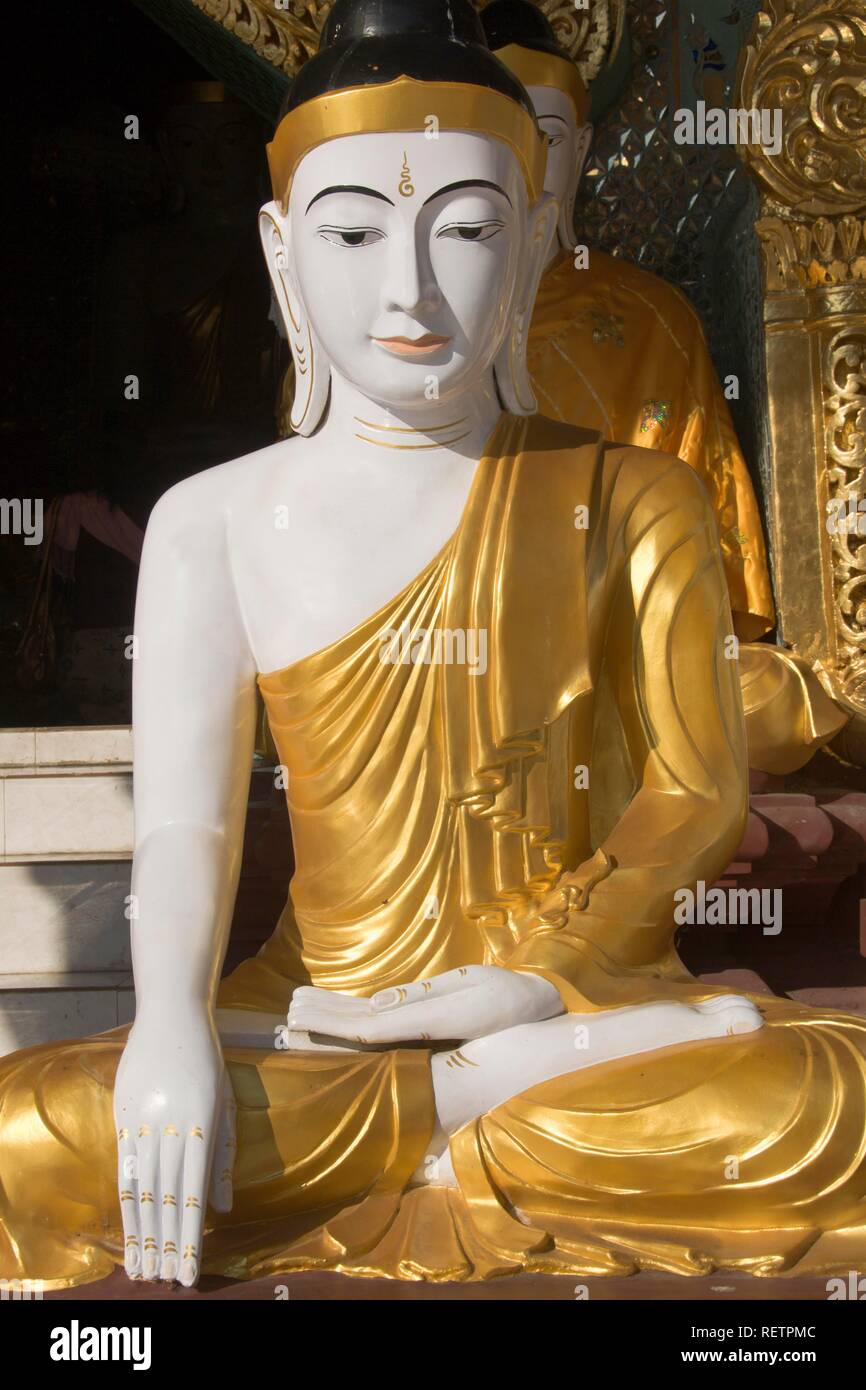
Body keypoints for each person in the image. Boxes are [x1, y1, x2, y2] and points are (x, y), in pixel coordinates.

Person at [1, 0, 865, 1293]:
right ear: (282, 252)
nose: (404, 289)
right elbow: (182, 832)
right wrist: (173, 1024)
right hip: (311, 1013)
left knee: (827, 1098)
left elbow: (693, 793)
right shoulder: (211, 520)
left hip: (578, 1003)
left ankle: (472, 1092)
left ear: (528, 242)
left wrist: (529, 982)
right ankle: (469, 1109)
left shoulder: (635, 497)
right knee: (32, 1129)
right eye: (353, 232)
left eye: (461, 228)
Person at [481, 0, 848, 772]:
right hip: (456, 657)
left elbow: (703, 574)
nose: (519, 165)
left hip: (622, 657)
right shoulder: (400, 321)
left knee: (774, 699)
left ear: (580, 149)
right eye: (492, 139)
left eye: (543, 139)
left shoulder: (650, 320)